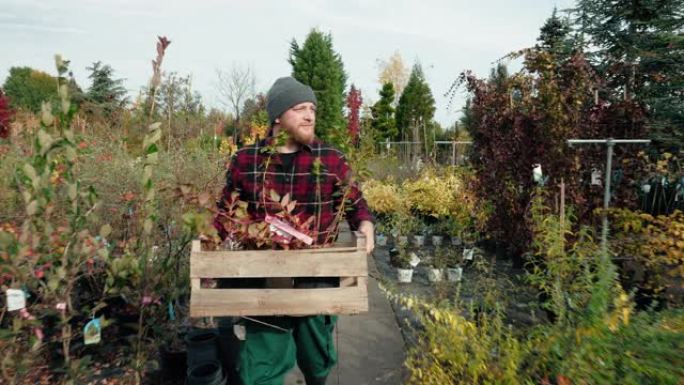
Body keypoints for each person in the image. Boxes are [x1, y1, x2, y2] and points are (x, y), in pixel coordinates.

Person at [214, 76, 374, 385]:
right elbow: (224, 212)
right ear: (277, 115)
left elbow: (356, 206)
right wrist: (208, 241)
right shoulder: (246, 161)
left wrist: (365, 226)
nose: (309, 115)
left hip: (316, 280)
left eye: (312, 108)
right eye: (299, 108)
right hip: (261, 282)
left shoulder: (330, 160)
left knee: (317, 361)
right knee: (263, 367)